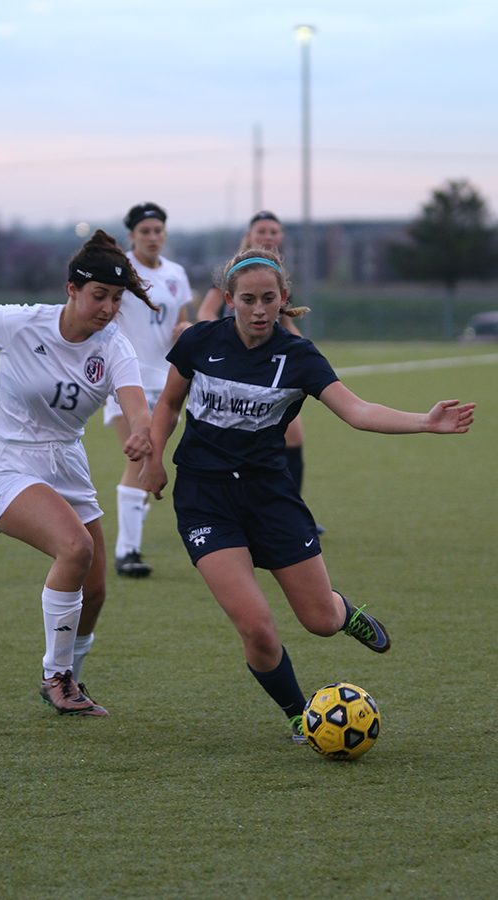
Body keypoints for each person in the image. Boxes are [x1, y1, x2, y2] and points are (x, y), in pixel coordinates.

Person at [140, 248, 475, 743]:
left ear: (284, 299)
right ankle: (301, 716)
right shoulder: (198, 342)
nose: (258, 309)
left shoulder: (298, 357)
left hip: (269, 498)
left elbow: (357, 411)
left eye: (268, 299)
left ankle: (344, 612)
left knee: (319, 621)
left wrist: (424, 422)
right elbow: (168, 404)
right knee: (256, 626)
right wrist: (152, 459)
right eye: (248, 299)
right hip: (204, 499)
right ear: (229, 299)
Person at [0, 229, 158, 717]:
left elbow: (136, 405)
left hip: (65, 460)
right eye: (98, 295)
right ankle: (55, 676)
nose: (107, 308)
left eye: (117, 299)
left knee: (96, 589)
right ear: (71, 290)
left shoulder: (113, 346)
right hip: (6, 458)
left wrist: (142, 434)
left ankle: (72, 679)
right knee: (74, 548)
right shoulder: (21, 323)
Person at [197, 210, 321, 531]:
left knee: (293, 436)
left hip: (274, 364)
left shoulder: (277, 273)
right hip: (242, 364)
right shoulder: (235, 270)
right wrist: (219, 341)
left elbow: (286, 319)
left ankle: (290, 508)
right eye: (262, 230)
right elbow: (207, 311)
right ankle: (247, 510)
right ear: (249, 235)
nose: (268, 236)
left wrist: (304, 353)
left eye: (274, 231)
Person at [103, 202, 193, 577]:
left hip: (167, 380)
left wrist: (184, 332)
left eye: (158, 231)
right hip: (126, 379)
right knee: (140, 457)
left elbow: (183, 320)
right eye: (145, 232)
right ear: (132, 236)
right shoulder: (120, 271)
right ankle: (127, 553)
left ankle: (131, 546)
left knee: (153, 461)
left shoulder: (176, 273)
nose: (153, 237)